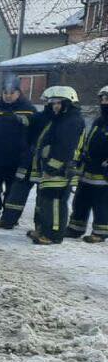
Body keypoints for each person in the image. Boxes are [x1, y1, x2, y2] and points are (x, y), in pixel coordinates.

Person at [28, 86, 85, 245]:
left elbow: (65, 148)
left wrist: (52, 168)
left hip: (60, 170)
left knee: (54, 202)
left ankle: (53, 235)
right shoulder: (62, 119)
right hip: (54, 168)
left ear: (69, 103)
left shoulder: (71, 121)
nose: (55, 106)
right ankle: (45, 230)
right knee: (46, 201)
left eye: (59, 103)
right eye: (53, 103)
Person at [0, 86, 36, 224]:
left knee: (12, 189)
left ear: (19, 94)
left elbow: (35, 134)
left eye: (12, 93)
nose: (8, 96)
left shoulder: (29, 110)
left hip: (16, 158)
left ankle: (9, 216)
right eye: (5, 93)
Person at [67, 84, 108, 243]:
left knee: (102, 202)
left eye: (107, 99)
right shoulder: (99, 121)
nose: (104, 102)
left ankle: (101, 231)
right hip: (89, 167)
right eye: (102, 99)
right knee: (81, 199)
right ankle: (75, 228)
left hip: (104, 170)